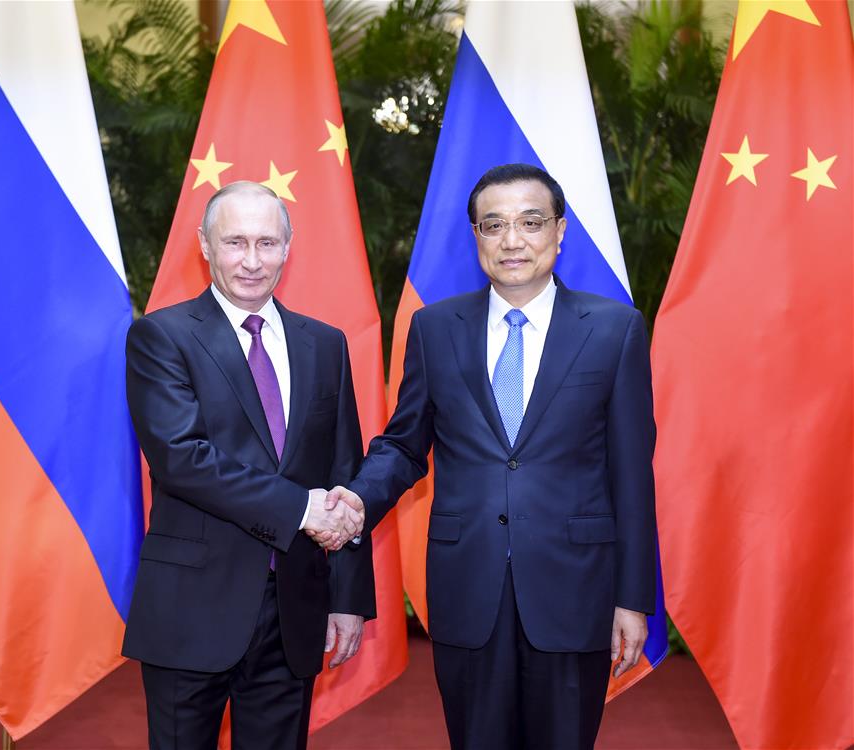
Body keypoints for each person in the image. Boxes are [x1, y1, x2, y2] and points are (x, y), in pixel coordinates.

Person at [320, 164, 656, 749]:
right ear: (476, 235)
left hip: (574, 589)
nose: (512, 240)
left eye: (530, 222)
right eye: (493, 225)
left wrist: (632, 596)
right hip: (467, 587)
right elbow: (403, 445)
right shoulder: (435, 328)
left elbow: (631, 475)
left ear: (560, 230)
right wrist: (356, 500)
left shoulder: (614, 330)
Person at [122, 181, 373, 750]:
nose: (253, 261)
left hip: (295, 610)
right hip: (191, 610)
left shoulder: (326, 344)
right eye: (235, 242)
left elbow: (344, 469)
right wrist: (302, 508)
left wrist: (349, 598)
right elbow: (182, 460)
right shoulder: (161, 337)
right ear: (204, 246)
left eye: (267, 242)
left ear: (289, 247)